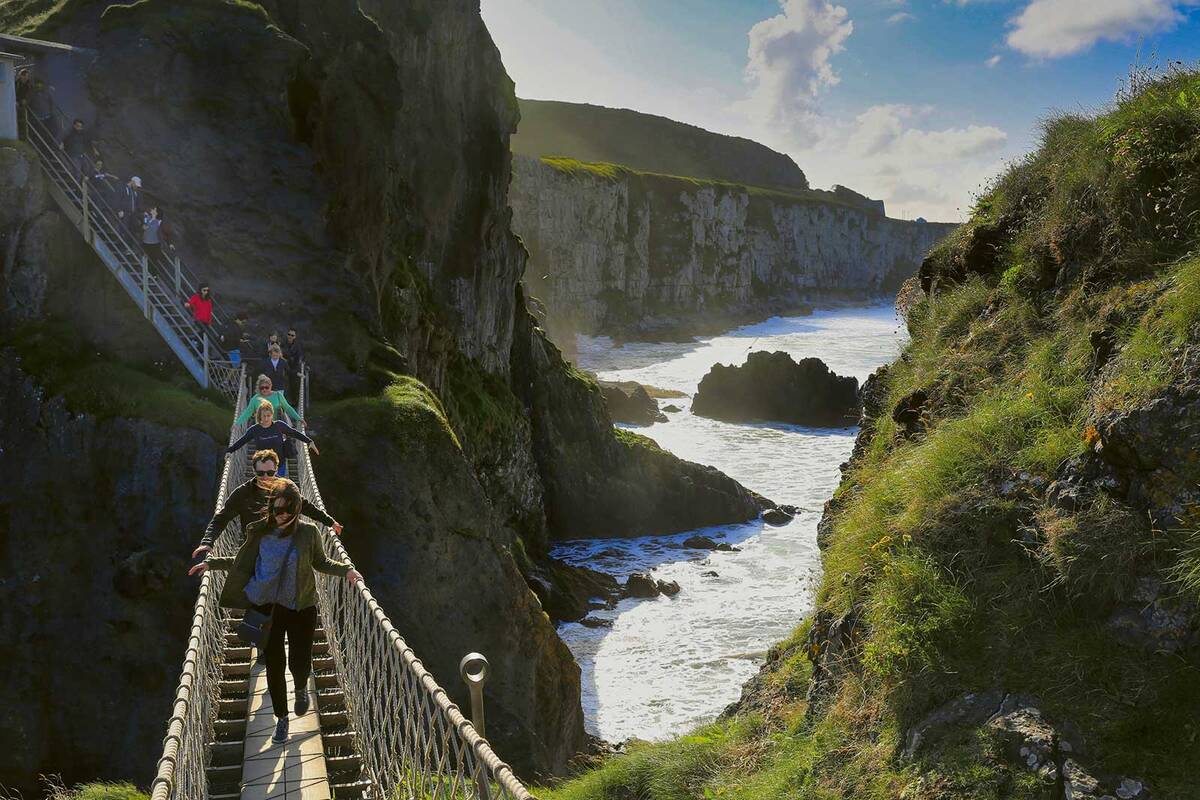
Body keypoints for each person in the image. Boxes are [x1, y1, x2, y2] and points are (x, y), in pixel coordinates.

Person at [189, 479, 362, 745]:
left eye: (288, 510)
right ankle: (282, 719)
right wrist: (211, 564)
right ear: (271, 507)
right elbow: (242, 561)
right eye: (277, 509)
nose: (282, 515)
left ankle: (302, 686)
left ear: (297, 509)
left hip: (301, 606)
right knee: (274, 664)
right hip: (267, 607)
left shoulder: (308, 533)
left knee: (300, 661)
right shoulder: (259, 531)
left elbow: (320, 562)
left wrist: (346, 570)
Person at [189, 448, 342, 560]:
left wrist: (330, 522)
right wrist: (208, 542)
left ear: (276, 469)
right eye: (260, 473)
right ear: (254, 471)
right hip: (254, 549)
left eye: (270, 473)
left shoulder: (286, 488)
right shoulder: (243, 493)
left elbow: (306, 507)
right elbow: (221, 518)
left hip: (284, 547)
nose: (265, 477)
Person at [226, 401, 317, 478]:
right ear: (259, 416)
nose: (266, 418)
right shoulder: (255, 430)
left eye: (268, 416)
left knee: (278, 492)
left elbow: (294, 433)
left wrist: (309, 441)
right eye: (264, 416)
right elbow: (242, 440)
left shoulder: (279, 426)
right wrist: (230, 451)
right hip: (262, 469)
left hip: (279, 465)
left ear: (272, 415)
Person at [235, 375, 303, 427]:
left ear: (271, 386)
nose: (264, 390)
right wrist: (237, 424)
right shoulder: (255, 399)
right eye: (262, 388)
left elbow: (288, 408)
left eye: (266, 387)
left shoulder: (278, 396)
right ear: (259, 388)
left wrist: (299, 419)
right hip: (262, 428)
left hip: (277, 427)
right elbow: (247, 413)